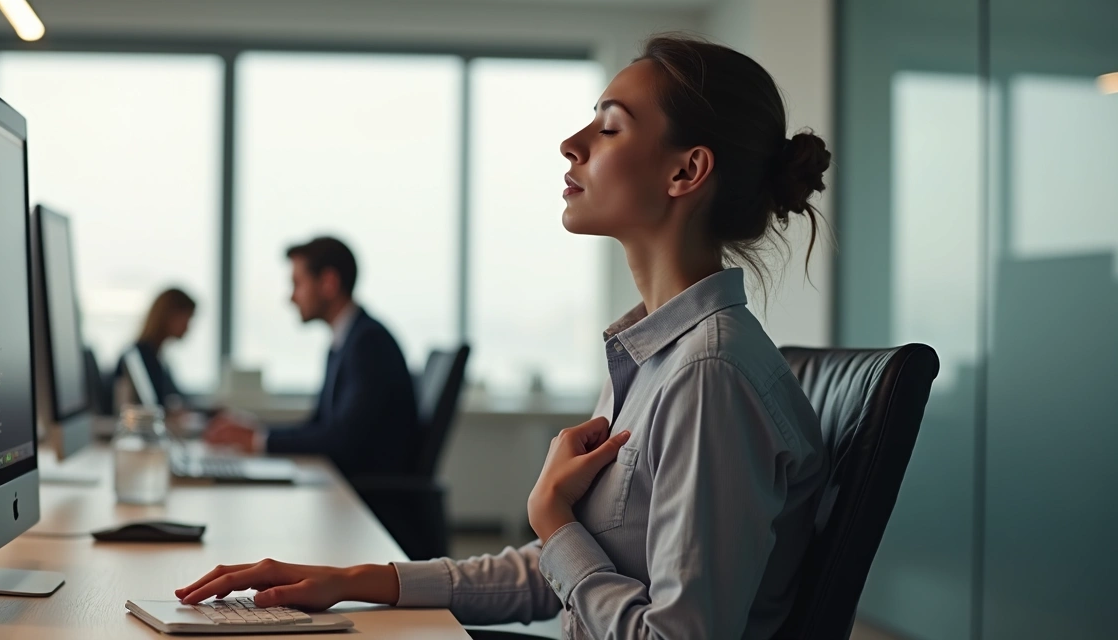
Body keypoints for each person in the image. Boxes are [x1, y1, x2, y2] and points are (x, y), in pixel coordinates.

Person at [178, 35, 832, 639]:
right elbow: (562, 573)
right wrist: (352, 581)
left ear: (685, 173)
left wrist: (553, 519)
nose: (571, 143)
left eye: (608, 127)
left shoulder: (706, 373)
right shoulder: (654, 357)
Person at [203, 237, 418, 478]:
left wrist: (258, 439)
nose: (291, 297)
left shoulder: (368, 343)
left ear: (328, 283)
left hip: (365, 498)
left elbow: (343, 440)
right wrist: (257, 432)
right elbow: (320, 426)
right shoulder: (347, 340)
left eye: (297, 284)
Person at [115, 287, 196, 411]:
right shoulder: (136, 358)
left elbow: (174, 399)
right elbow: (130, 411)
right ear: (169, 316)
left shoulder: (159, 357)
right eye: (187, 319)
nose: (188, 327)